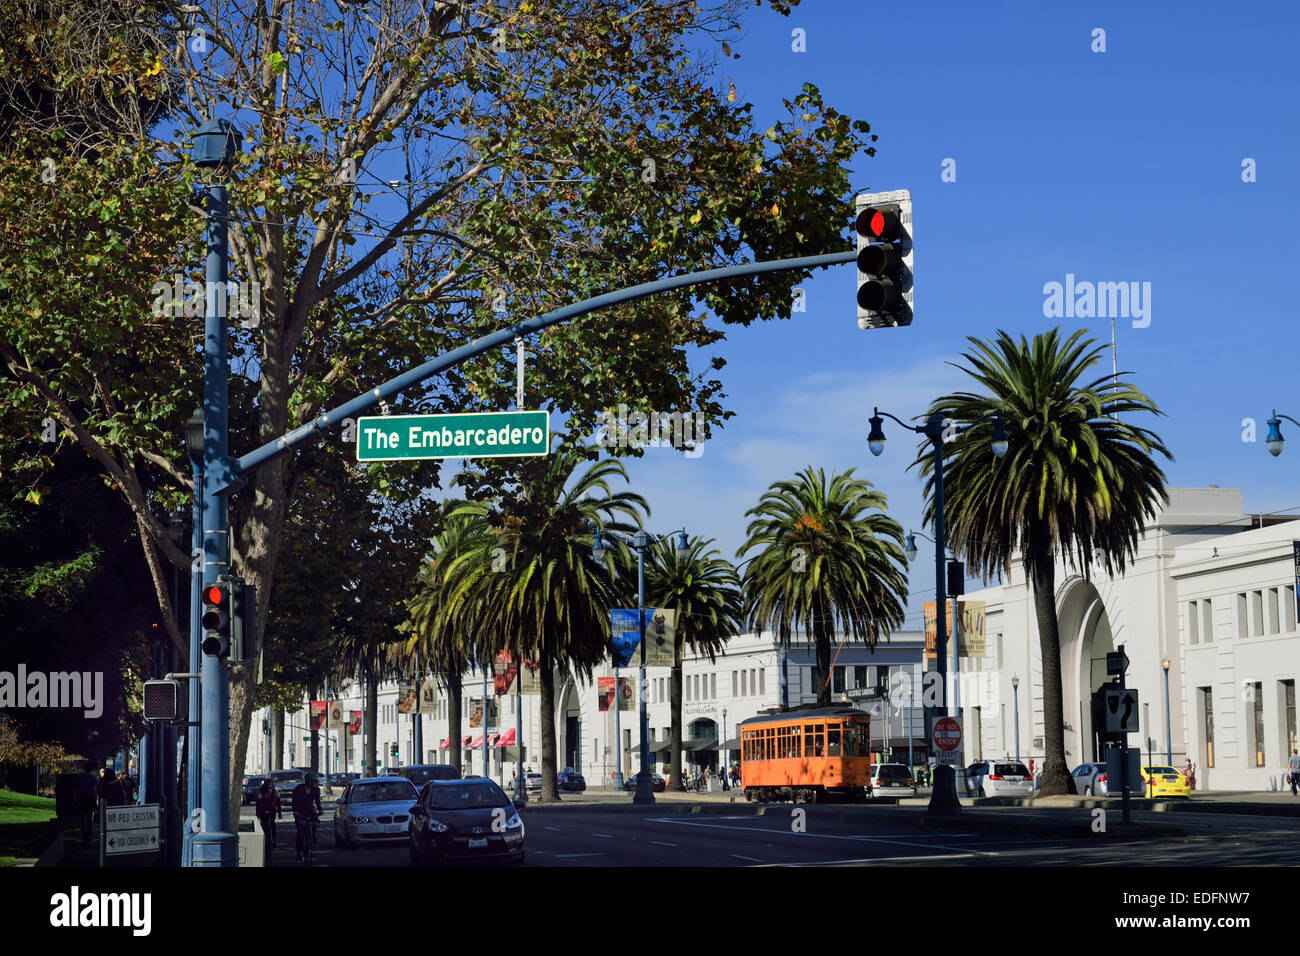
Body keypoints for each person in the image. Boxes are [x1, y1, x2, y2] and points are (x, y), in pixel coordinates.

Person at [291, 772, 323, 864]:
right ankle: (298, 854)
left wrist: (320, 810)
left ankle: (313, 834)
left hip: (310, 809)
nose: (316, 784)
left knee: (316, 822)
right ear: (308, 782)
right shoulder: (298, 789)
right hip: (299, 810)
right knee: (300, 833)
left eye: (316, 782)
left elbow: (317, 802)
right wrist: (295, 812)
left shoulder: (316, 790)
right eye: (314, 782)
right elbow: (294, 802)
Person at [256, 779, 282, 849]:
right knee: (264, 825)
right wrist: (257, 814)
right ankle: (264, 840)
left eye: (271, 788)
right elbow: (258, 804)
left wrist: (279, 813)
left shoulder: (275, 792)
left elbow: (278, 804)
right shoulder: (261, 792)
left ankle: (274, 840)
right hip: (263, 809)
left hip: (272, 809)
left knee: (272, 824)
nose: (270, 789)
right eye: (268, 788)